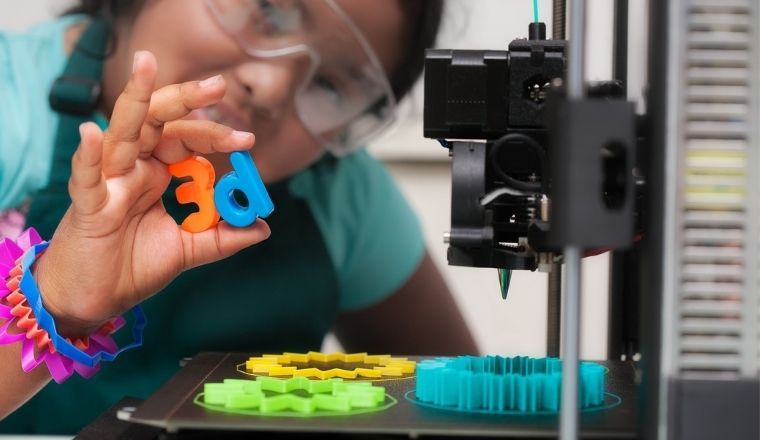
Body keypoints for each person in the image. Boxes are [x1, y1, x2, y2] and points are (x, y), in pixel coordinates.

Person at [0, 0, 477, 433]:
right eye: (267, 10)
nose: (270, 87)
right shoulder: (11, 106)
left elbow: (465, 407)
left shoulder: (339, 192)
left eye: (331, 85)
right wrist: (59, 303)